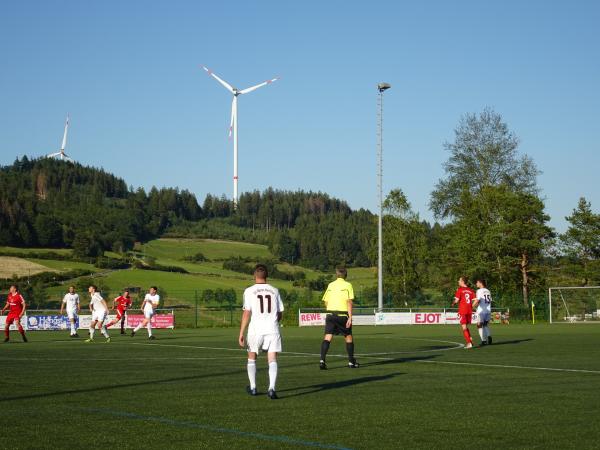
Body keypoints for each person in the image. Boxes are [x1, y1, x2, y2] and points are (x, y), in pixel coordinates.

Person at [238, 264, 284, 400]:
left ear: (254, 276)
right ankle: (272, 388)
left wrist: (241, 332)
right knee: (272, 359)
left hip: (255, 330)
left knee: (252, 357)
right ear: (267, 276)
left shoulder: (249, 291)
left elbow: (247, 313)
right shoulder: (275, 290)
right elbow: (280, 312)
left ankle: (253, 387)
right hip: (272, 329)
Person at [319, 267, 358, 370]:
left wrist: (331, 309)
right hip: (342, 315)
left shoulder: (330, 285)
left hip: (330, 314)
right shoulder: (348, 285)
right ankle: (351, 362)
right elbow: (349, 302)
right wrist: (350, 317)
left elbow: (325, 301)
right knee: (348, 337)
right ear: (346, 275)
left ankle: (322, 361)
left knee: (328, 337)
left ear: (337, 275)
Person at [452, 276, 476, 349]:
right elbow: (475, 300)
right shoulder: (471, 290)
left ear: (462, 281)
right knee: (465, 326)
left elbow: (456, 301)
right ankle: (470, 338)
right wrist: (471, 306)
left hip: (463, 310)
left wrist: (453, 303)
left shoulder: (460, 290)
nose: (458, 282)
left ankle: (469, 343)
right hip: (469, 310)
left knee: (464, 327)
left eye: (459, 280)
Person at [473, 279, 493, 346]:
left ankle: (483, 340)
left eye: (477, 282)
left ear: (481, 283)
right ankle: (489, 336)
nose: (476, 284)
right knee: (485, 325)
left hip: (481, 311)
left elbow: (478, 300)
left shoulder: (479, 291)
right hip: (488, 310)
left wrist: (472, 306)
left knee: (479, 325)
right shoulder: (488, 290)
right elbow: (490, 300)